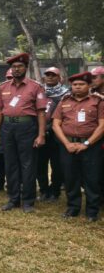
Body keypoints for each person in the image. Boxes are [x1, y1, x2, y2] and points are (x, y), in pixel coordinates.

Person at [0, 53, 47, 213]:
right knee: (10, 164)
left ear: (26, 68)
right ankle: (13, 199)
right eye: (14, 67)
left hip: (27, 128)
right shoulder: (3, 87)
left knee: (28, 164)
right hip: (7, 128)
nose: (16, 69)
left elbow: (41, 112)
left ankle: (28, 201)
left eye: (20, 66)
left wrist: (41, 134)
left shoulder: (35, 87)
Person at [52, 72, 104, 222]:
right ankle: (73, 208)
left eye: (81, 84)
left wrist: (86, 144)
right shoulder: (64, 101)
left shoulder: (98, 101)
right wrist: (67, 143)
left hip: (90, 146)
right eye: (75, 84)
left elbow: (102, 125)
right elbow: (56, 124)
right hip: (68, 145)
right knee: (70, 177)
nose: (78, 87)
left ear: (88, 86)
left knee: (92, 178)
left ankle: (92, 211)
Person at [38, 67, 68, 202]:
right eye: (47, 75)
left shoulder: (66, 94)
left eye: (53, 75)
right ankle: (44, 190)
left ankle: (55, 191)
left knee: (57, 165)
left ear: (59, 78)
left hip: (57, 135)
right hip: (40, 133)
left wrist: (50, 127)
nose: (50, 77)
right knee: (40, 164)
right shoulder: (38, 92)